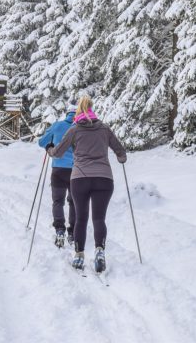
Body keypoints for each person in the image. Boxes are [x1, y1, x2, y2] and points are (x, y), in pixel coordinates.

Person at [46, 95, 127, 273]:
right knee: (99, 219)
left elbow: (58, 152)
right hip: (104, 179)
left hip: (80, 178)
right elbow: (121, 152)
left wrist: (49, 149)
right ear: (92, 109)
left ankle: (79, 255)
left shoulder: (74, 130)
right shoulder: (104, 129)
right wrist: (121, 158)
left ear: (79, 111)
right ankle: (99, 251)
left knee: (81, 218)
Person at [37, 100, 77, 247]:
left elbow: (41, 142)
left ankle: (60, 230)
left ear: (67, 114)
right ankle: (72, 232)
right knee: (74, 202)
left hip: (58, 170)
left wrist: (50, 145)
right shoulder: (81, 127)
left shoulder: (58, 125)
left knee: (58, 201)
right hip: (76, 171)